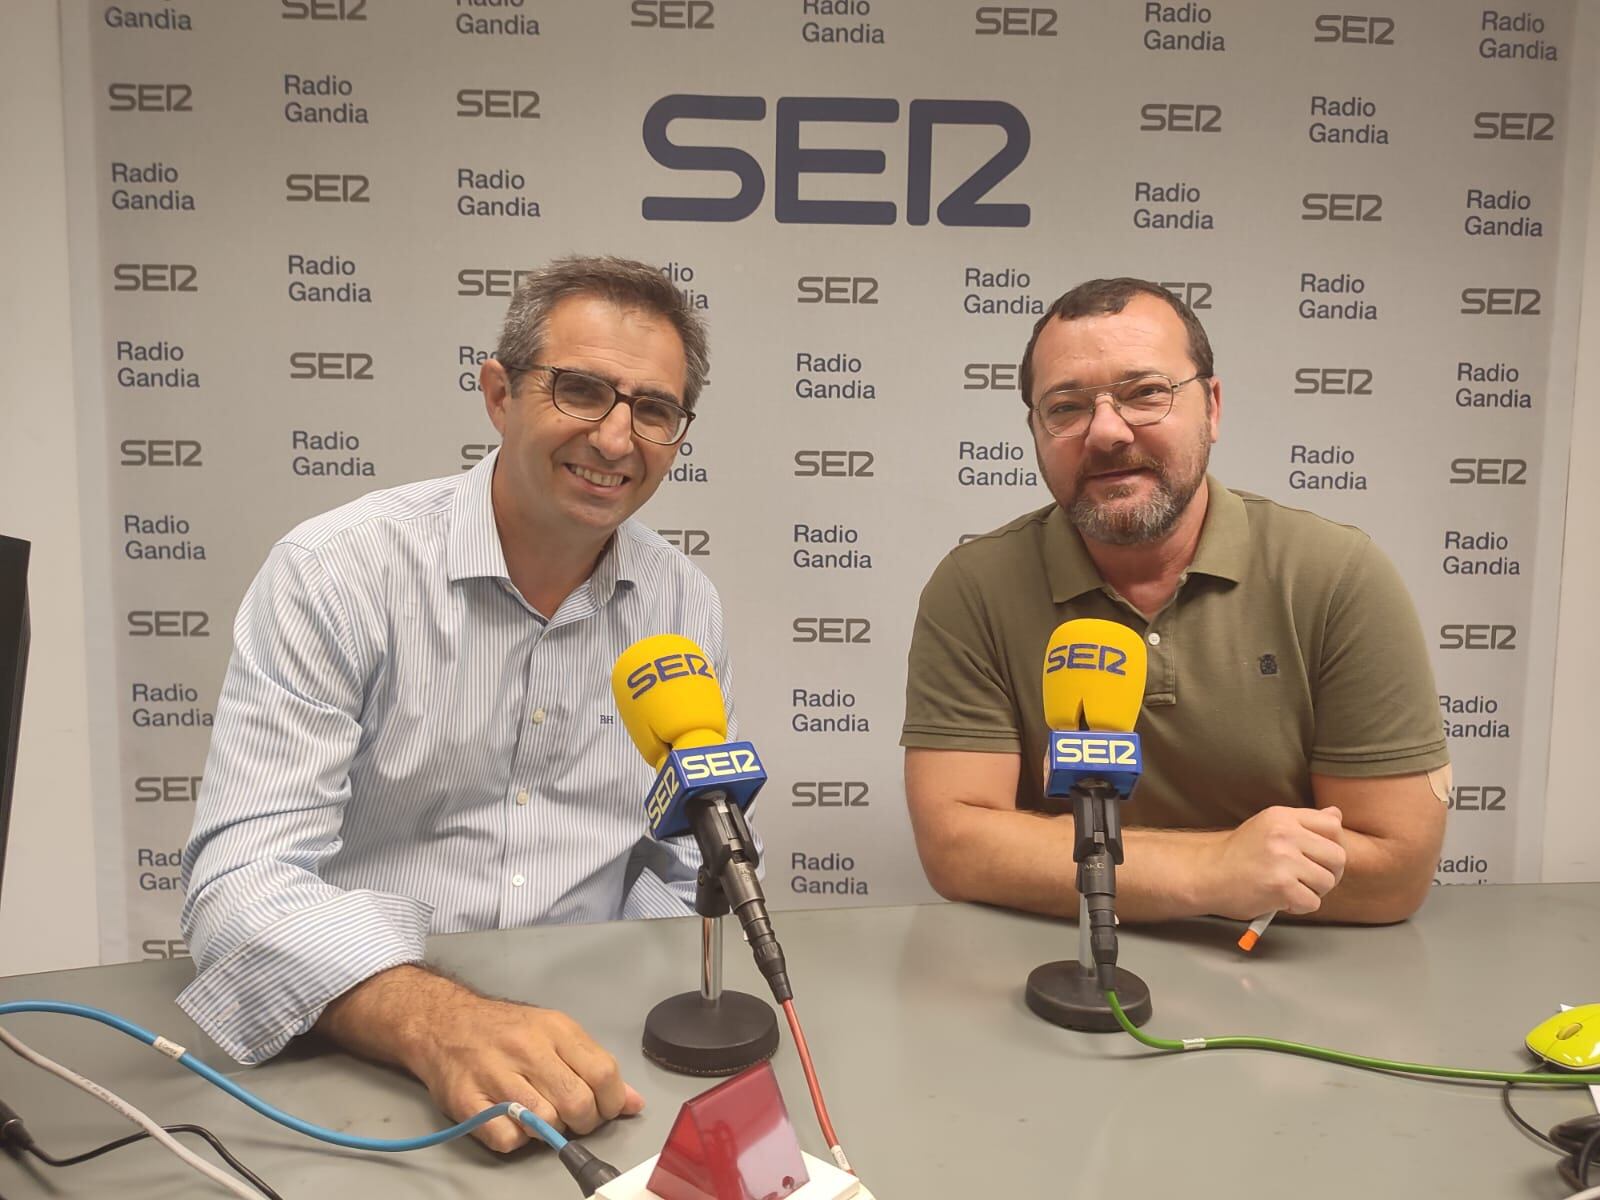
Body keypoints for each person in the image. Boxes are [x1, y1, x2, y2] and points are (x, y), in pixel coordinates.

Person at [180, 255, 731, 1151]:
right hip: (365, 1050)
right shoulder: (335, 574)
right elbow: (239, 884)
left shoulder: (684, 606)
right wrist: (437, 1023)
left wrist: (623, 1030)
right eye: (582, 390)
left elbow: (679, 865)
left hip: (595, 1063)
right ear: (498, 394)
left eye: (655, 411)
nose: (617, 441)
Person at [901, 278, 1449, 928]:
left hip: (1284, 980)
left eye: (1145, 394)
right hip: (1051, 980)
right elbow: (959, 847)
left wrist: (1115, 870)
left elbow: (1394, 869)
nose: (1106, 431)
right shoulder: (975, 587)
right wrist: (1210, 873)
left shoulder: (1335, 576)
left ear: (1211, 407)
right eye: (1066, 407)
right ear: (1035, 432)